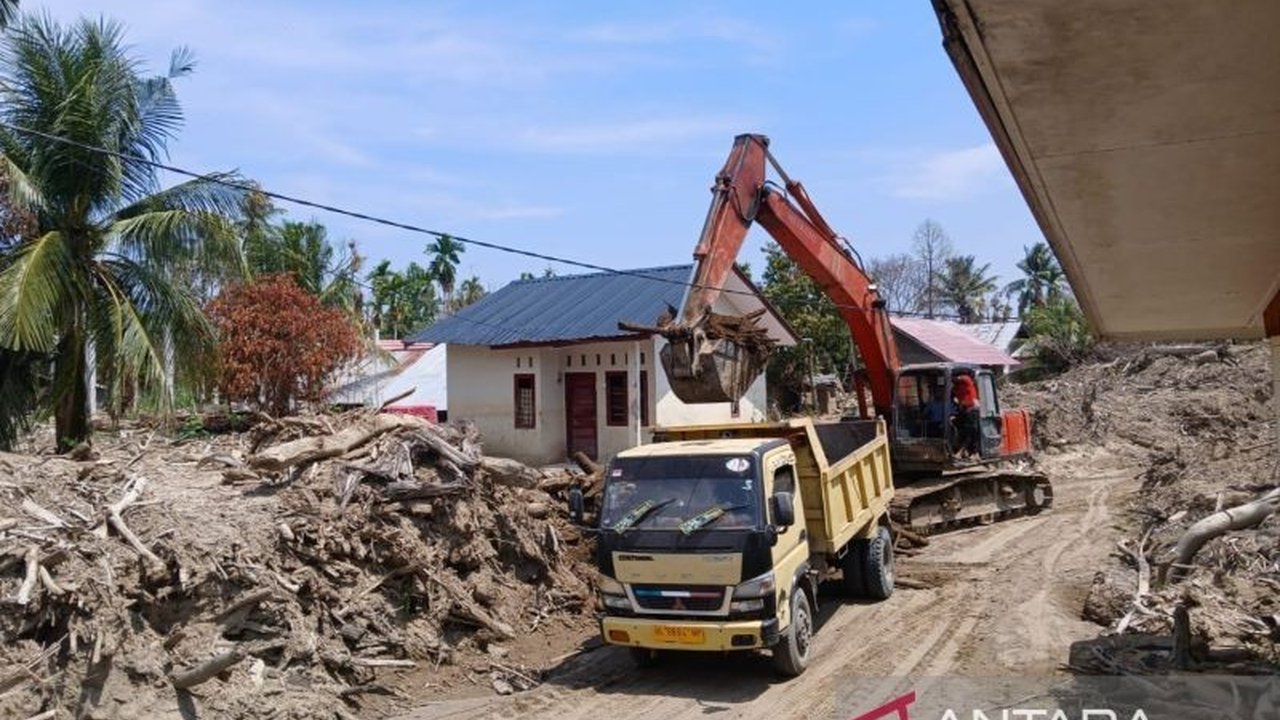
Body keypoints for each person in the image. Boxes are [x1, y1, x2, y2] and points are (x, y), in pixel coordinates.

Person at [951, 372, 981, 458]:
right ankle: (962, 450)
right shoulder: (955, 388)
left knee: (971, 431)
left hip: (972, 410)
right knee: (961, 430)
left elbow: (960, 378)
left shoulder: (966, 380)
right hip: (964, 410)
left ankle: (972, 452)